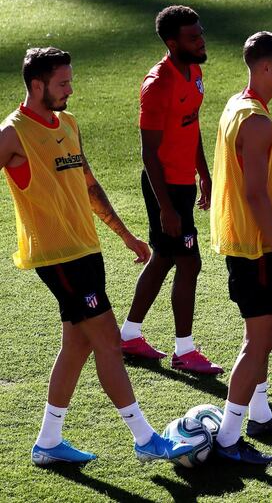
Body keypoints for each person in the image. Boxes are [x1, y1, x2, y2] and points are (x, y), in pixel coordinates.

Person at [0, 47, 193, 464]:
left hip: (87, 249)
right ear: (37, 85)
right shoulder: (12, 134)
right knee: (107, 340)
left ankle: (48, 442)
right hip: (57, 256)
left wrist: (125, 235)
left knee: (78, 345)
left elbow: (88, 184)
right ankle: (144, 438)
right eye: (63, 83)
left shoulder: (67, 122)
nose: (71, 89)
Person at [209, 31, 272, 465]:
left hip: (242, 244)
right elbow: (254, 194)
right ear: (264, 67)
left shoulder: (236, 105)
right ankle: (229, 438)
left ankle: (261, 414)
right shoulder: (258, 121)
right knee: (258, 341)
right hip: (255, 249)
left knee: (262, 338)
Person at [119, 5, 222, 375]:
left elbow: (190, 126)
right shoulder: (158, 84)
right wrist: (166, 207)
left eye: (201, 34)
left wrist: (204, 175)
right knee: (189, 262)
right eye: (193, 38)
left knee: (163, 258)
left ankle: (129, 335)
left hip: (183, 182)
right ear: (171, 42)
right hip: (164, 187)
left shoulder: (193, 71)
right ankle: (184, 350)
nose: (201, 42)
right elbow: (149, 151)